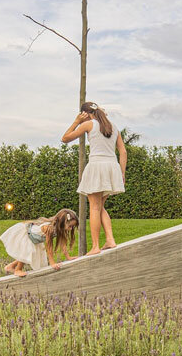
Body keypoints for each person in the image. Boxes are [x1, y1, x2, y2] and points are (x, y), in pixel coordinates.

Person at [61, 101, 126, 255]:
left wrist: (77, 122)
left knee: (94, 207)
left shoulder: (89, 124)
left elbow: (65, 138)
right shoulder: (113, 126)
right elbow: (123, 152)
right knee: (100, 206)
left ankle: (95, 246)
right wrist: (122, 173)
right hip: (112, 167)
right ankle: (110, 239)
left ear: (85, 114)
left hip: (97, 166)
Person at [0, 208, 78, 277]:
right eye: (70, 226)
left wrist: (68, 257)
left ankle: (11, 266)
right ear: (61, 222)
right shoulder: (49, 228)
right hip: (26, 234)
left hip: (35, 239)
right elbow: (49, 246)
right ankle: (17, 270)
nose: (71, 229)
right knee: (27, 251)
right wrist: (52, 263)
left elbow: (63, 244)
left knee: (30, 255)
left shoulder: (59, 230)